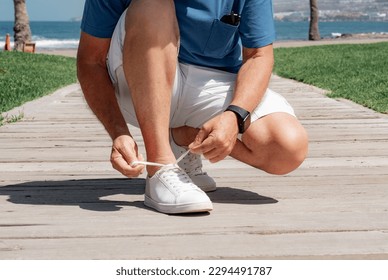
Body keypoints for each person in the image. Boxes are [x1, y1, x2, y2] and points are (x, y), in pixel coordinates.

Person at [77, 0, 308, 214]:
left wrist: (233, 115)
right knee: (153, 3)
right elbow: (90, 60)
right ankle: (160, 167)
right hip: (134, 84)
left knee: (287, 147)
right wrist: (118, 132)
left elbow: (258, 56)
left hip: (209, 84)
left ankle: (183, 135)